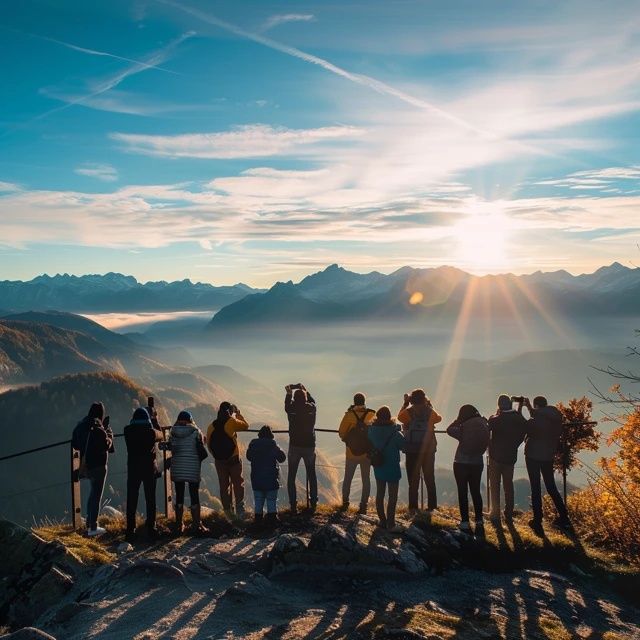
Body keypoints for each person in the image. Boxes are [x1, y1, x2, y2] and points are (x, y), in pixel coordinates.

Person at [523, 396, 570, 533]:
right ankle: (564, 517)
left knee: (535, 487)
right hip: (548, 456)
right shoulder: (555, 418)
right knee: (551, 486)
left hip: (532, 456)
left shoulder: (535, 420)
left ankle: (537, 520)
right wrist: (530, 408)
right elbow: (537, 416)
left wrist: (524, 407)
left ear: (536, 406)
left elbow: (525, 427)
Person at [71, 402, 114, 537]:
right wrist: (109, 434)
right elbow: (106, 445)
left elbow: (75, 444)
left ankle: (89, 523)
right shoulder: (97, 428)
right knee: (96, 495)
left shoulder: (80, 426)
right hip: (99, 466)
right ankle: (93, 526)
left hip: (86, 466)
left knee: (92, 494)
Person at [447, 404, 490, 537]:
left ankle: (465, 521)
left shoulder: (464, 426)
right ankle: (479, 520)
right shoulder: (484, 423)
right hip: (477, 462)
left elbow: (449, 430)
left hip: (461, 462)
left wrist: (458, 420)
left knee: (462, 491)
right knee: (476, 491)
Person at [397, 389, 442, 515]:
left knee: (413, 480)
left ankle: (413, 508)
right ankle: (432, 507)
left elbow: (400, 417)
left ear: (412, 399)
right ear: (424, 399)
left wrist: (406, 403)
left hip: (412, 450)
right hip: (428, 450)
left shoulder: (408, 412)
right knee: (429, 478)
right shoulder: (430, 412)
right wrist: (429, 404)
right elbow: (439, 418)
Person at [487, 395, 528, 525]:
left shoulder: (495, 419)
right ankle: (508, 514)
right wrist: (515, 444)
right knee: (508, 485)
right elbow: (525, 428)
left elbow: (488, 430)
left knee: (494, 484)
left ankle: (495, 513)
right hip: (510, 456)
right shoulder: (518, 418)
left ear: (499, 405)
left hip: (495, 456)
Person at [124, 407, 163, 542]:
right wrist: (154, 420)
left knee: (132, 498)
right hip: (148, 469)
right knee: (150, 498)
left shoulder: (127, 431)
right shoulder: (151, 432)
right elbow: (161, 434)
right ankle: (151, 528)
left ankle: (130, 530)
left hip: (133, 468)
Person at [207, 402, 249, 518]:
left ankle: (228, 511)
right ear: (229, 411)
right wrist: (238, 414)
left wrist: (217, 456)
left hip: (219, 461)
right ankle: (240, 510)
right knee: (238, 484)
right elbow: (246, 426)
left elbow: (209, 445)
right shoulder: (231, 422)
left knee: (224, 486)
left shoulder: (211, 426)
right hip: (233, 458)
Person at [367, 406, 406, 532]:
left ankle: (382, 521)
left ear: (377, 417)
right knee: (392, 496)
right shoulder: (395, 433)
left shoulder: (371, 430)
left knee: (380, 494)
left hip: (379, 465)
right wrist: (400, 430)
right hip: (393, 467)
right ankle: (391, 524)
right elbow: (403, 446)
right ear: (390, 417)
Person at [170, 410, 208, 534]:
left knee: (179, 495)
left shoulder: (172, 432)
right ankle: (196, 525)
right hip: (192, 468)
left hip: (178, 468)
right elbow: (203, 445)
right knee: (194, 495)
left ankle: (179, 524)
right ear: (191, 420)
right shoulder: (196, 432)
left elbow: (171, 447)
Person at [338, 392, 375, 513]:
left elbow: (341, 433)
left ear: (354, 402)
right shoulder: (371, 414)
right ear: (364, 401)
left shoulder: (349, 415)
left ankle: (345, 503)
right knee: (366, 479)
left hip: (351, 453)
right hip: (366, 453)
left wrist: (348, 441)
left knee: (347, 478)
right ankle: (363, 505)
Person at [285, 384, 318, 513]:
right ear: (305, 398)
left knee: (291, 476)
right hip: (309, 445)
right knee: (311, 474)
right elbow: (313, 401)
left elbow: (287, 405)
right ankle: (313, 502)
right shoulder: (311, 408)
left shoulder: (291, 408)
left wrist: (288, 393)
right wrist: (305, 390)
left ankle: (293, 505)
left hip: (295, 445)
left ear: (294, 398)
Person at [246, 425, 287, 526]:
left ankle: (258, 521)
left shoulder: (253, 445)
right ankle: (272, 519)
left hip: (257, 479)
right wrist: (278, 448)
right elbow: (282, 458)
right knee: (271, 500)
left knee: (258, 500)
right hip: (271, 480)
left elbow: (248, 457)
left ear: (259, 435)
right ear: (271, 436)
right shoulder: (273, 446)